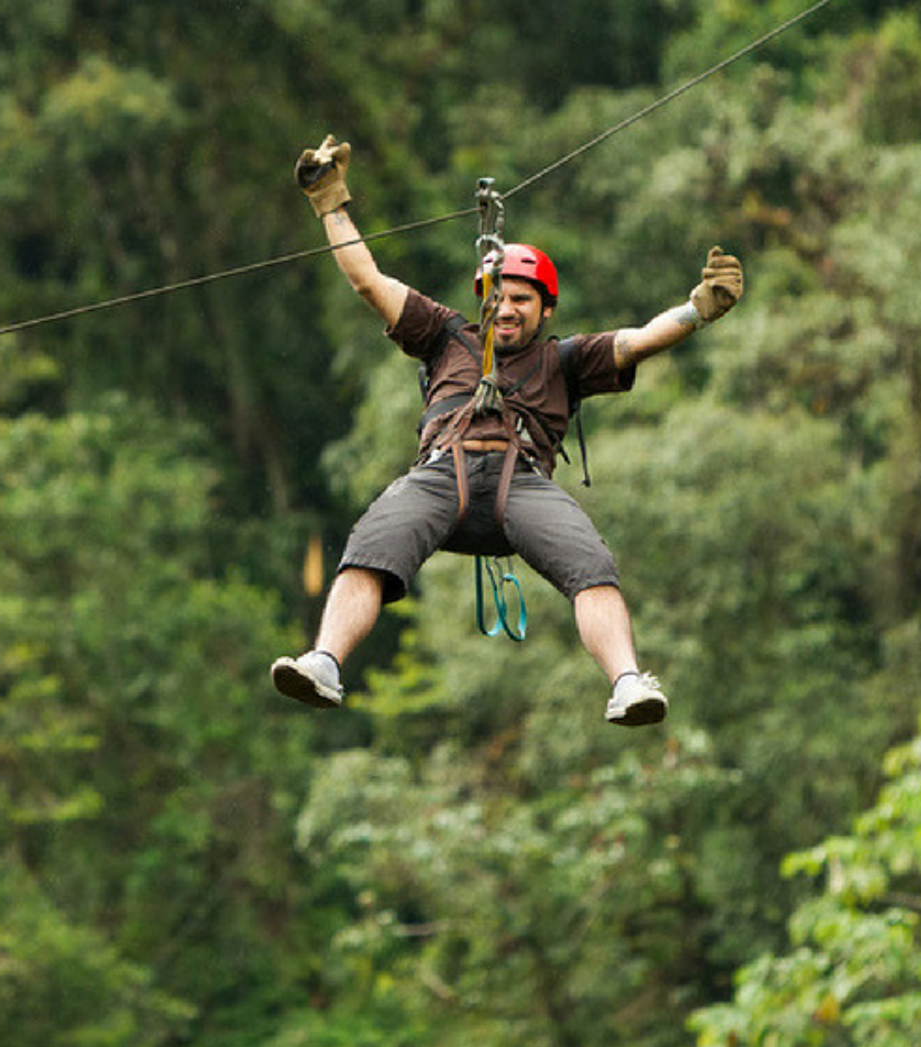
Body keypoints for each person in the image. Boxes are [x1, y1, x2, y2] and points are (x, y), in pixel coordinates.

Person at [270, 135, 743, 725]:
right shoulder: (446, 336)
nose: (508, 309)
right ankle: (325, 662)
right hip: (443, 473)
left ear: (545, 309)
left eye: (522, 299)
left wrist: (697, 310)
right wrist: (329, 202)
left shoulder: (564, 360)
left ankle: (626, 681)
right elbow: (368, 281)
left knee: (591, 567)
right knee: (369, 549)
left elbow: (640, 338)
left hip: (522, 485)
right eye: (497, 298)